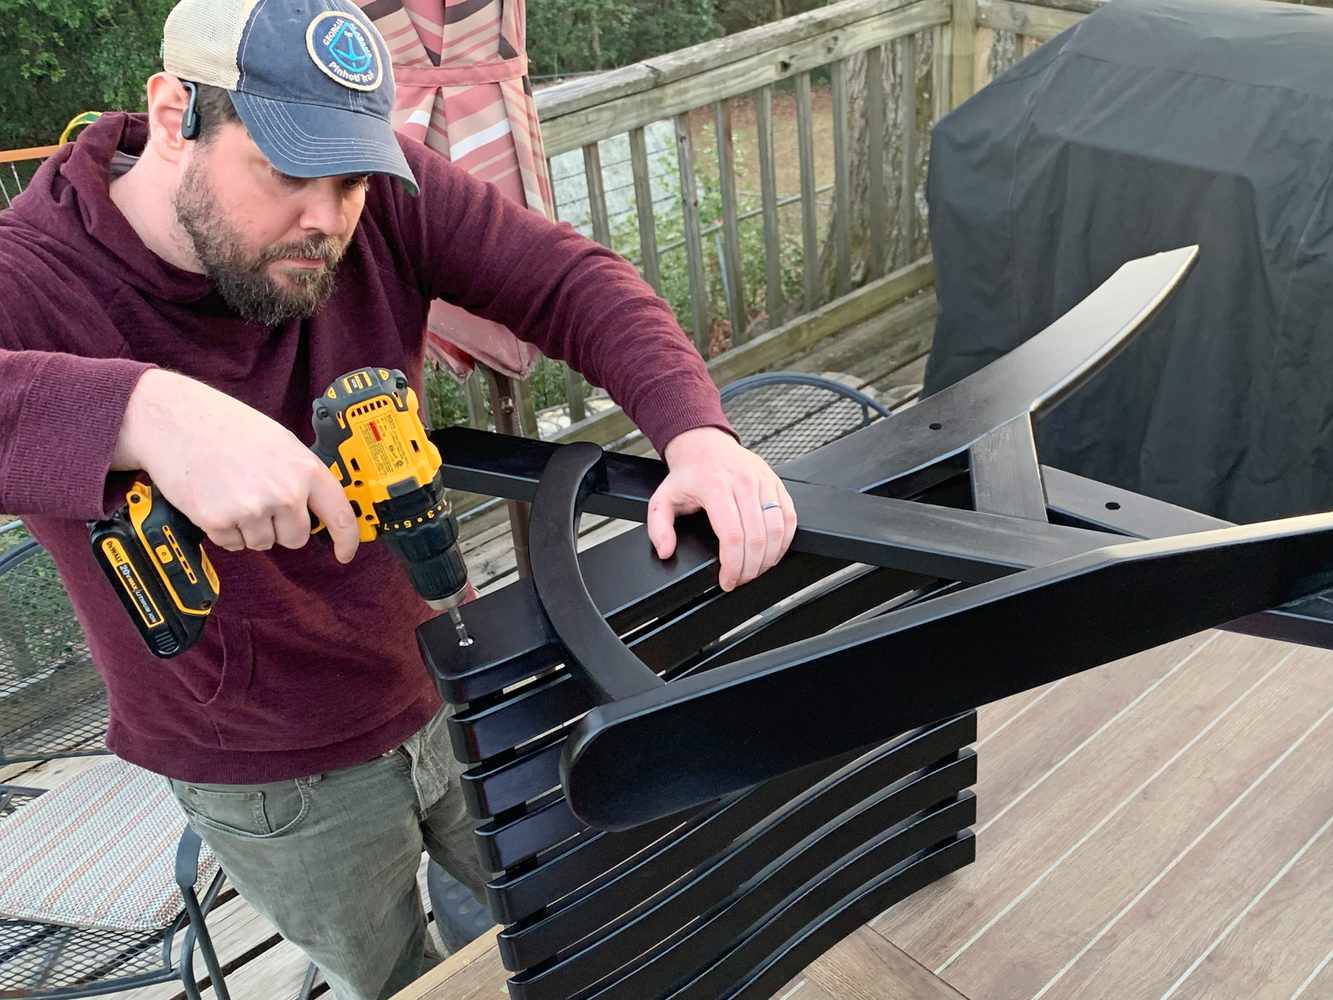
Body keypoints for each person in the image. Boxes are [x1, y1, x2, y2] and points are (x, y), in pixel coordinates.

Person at [0, 1, 797, 996]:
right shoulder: (32, 275)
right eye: (290, 173)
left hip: (446, 673)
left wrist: (696, 433)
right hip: (263, 770)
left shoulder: (376, 207)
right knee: (404, 982)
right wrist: (142, 410)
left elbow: (571, 280)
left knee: (593, 911)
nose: (327, 221)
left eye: (353, 180)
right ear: (174, 116)